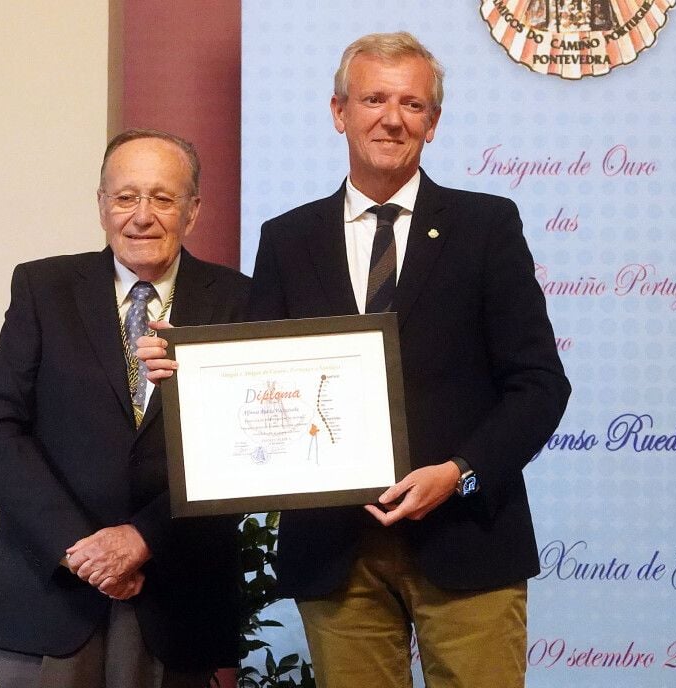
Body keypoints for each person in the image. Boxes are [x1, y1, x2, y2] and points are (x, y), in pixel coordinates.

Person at [141, 33, 569, 687]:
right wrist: (190, 373)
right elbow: (264, 384)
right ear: (339, 111)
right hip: (336, 551)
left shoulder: (485, 227)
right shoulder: (288, 239)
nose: (391, 118)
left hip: (467, 537)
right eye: (373, 99)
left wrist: (459, 473)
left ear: (433, 121)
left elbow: (540, 384)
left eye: (411, 104)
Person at [0, 128, 249, 688]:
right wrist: (78, 549)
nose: (141, 215)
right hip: (53, 592)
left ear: (193, 211)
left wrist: (144, 537)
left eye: (162, 198)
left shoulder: (241, 302)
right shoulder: (42, 288)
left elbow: (248, 446)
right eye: (125, 197)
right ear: (102, 205)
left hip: (178, 595)